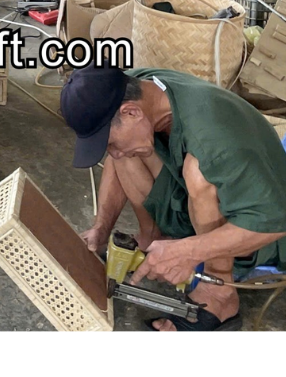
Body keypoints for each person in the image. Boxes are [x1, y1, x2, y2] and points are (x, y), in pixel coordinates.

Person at [60, 64, 286, 332]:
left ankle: (219, 294)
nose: (113, 153)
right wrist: (101, 228)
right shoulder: (139, 86)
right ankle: (152, 238)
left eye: (109, 142)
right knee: (128, 151)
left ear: (131, 112)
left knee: (197, 172)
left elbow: (276, 222)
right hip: (212, 192)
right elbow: (118, 154)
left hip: (261, 230)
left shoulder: (212, 138)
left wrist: (187, 252)